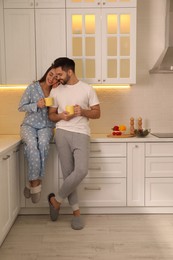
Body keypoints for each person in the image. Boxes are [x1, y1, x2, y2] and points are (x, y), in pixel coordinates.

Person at [47, 57, 100, 230]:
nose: (58, 77)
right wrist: (61, 116)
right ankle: (76, 214)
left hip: (81, 134)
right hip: (62, 133)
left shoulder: (87, 89)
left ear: (70, 72)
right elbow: (51, 115)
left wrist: (81, 111)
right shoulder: (56, 91)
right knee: (69, 174)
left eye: (60, 73)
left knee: (81, 171)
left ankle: (56, 201)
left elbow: (97, 113)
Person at [18, 65, 59, 203]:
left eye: (55, 77)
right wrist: (36, 105)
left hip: (46, 126)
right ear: (47, 72)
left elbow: (59, 110)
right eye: (51, 74)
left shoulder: (57, 91)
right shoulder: (33, 87)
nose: (52, 78)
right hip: (29, 125)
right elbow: (21, 106)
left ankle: (31, 182)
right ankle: (35, 184)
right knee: (31, 146)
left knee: (43, 145)